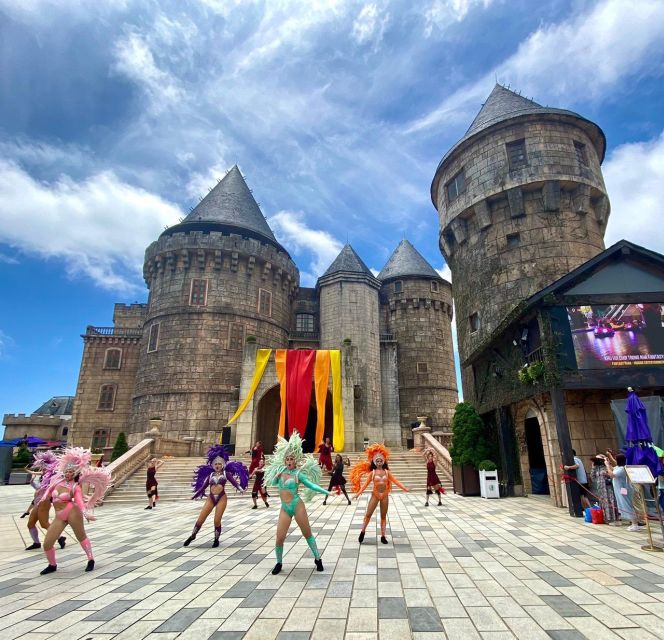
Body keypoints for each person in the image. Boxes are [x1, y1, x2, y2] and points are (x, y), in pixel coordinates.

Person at [264, 432, 330, 575]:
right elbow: (273, 483)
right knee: (279, 537)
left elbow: (311, 485)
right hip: (285, 507)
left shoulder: (298, 474)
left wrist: (325, 492)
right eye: (287, 459)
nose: (289, 461)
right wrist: (275, 477)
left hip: (296, 505)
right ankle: (279, 562)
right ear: (284, 460)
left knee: (307, 534)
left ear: (295, 461)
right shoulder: (281, 471)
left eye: (291, 459)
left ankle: (318, 558)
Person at [38, 447, 111, 575]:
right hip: (59, 516)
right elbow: (48, 492)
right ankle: (52, 564)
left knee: (81, 536)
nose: (68, 473)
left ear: (75, 473)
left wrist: (85, 513)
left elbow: (80, 502)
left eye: (71, 471)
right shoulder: (56, 481)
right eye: (67, 471)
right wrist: (42, 500)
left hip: (72, 512)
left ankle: (91, 559)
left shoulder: (75, 487)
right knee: (47, 543)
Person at [184, 446, 249, 548]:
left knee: (216, 520)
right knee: (201, 519)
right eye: (216, 464)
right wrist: (195, 495)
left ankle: (216, 539)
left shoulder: (226, 474)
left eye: (219, 464)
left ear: (223, 464)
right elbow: (203, 487)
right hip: (211, 498)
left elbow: (234, 483)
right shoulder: (210, 475)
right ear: (213, 465)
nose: (218, 465)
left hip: (221, 498)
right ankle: (192, 535)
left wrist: (241, 489)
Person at [351, 443, 409, 544]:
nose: (379, 462)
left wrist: (405, 488)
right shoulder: (372, 473)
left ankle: (383, 536)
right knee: (368, 514)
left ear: (383, 461)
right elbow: (365, 485)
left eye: (380, 461)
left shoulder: (387, 472)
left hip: (385, 496)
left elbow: (395, 481)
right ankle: (362, 532)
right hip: (375, 495)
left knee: (383, 516)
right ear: (374, 462)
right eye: (377, 461)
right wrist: (357, 494)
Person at [24, 451, 66, 551]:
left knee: (44, 523)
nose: (42, 468)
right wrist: (29, 471)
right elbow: (38, 475)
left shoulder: (53, 477)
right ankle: (36, 542)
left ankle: (60, 538)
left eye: (44, 466)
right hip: (38, 502)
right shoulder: (44, 475)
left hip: (45, 502)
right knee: (30, 523)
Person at [605, 451, 643, 531]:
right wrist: (609, 460)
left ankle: (635, 524)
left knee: (627, 506)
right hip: (621, 489)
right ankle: (634, 523)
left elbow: (612, 475)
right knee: (626, 505)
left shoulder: (622, 469)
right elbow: (613, 468)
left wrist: (607, 465)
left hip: (624, 490)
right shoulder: (619, 468)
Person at [589, 455, 619, 525]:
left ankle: (614, 518)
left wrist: (607, 472)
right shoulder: (596, 468)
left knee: (610, 501)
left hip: (608, 487)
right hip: (600, 487)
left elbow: (613, 475)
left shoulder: (607, 466)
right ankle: (606, 518)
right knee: (603, 502)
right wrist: (593, 467)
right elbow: (592, 477)